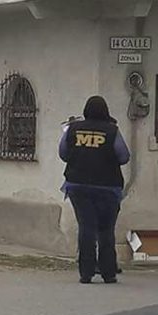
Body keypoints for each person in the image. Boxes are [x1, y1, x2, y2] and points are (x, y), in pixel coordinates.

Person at [59, 96, 130, 284]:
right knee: (106, 230)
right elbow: (123, 157)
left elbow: (63, 154)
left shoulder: (73, 129)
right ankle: (108, 272)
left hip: (78, 186)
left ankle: (86, 273)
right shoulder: (112, 130)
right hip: (108, 187)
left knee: (86, 227)